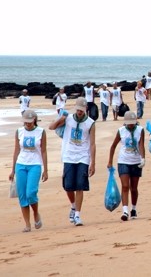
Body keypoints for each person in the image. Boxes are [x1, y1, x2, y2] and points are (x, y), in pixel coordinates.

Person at [48, 97, 96, 226]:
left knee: (80, 185)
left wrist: (93, 162)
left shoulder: (90, 123)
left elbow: (92, 144)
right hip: (68, 155)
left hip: (83, 157)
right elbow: (51, 127)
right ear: (76, 108)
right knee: (68, 186)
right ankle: (73, 206)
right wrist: (61, 119)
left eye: (82, 110)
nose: (80, 112)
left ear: (86, 109)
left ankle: (77, 215)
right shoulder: (68, 118)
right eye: (78, 110)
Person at [9, 110, 48, 232]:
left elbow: (43, 151)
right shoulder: (19, 131)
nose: (28, 124)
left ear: (35, 120)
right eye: (26, 122)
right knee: (22, 195)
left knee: (31, 193)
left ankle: (36, 213)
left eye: (30, 122)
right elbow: (16, 150)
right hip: (21, 164)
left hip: (35, 164)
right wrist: (12, 170)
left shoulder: (41, 132)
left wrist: (45, 169)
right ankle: (27, 224)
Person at [107, 111, 145, 221]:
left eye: (132, 123)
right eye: (129, 123)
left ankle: (133, 208)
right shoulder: (121, 131)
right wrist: (110, 161)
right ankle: (125, 211)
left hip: (136, 161)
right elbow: (113, 146)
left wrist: (143, 158)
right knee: (125, 186)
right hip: (123, 160)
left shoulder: (140, 130)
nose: (131, 125)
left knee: (134, 188)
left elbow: (141, 145)